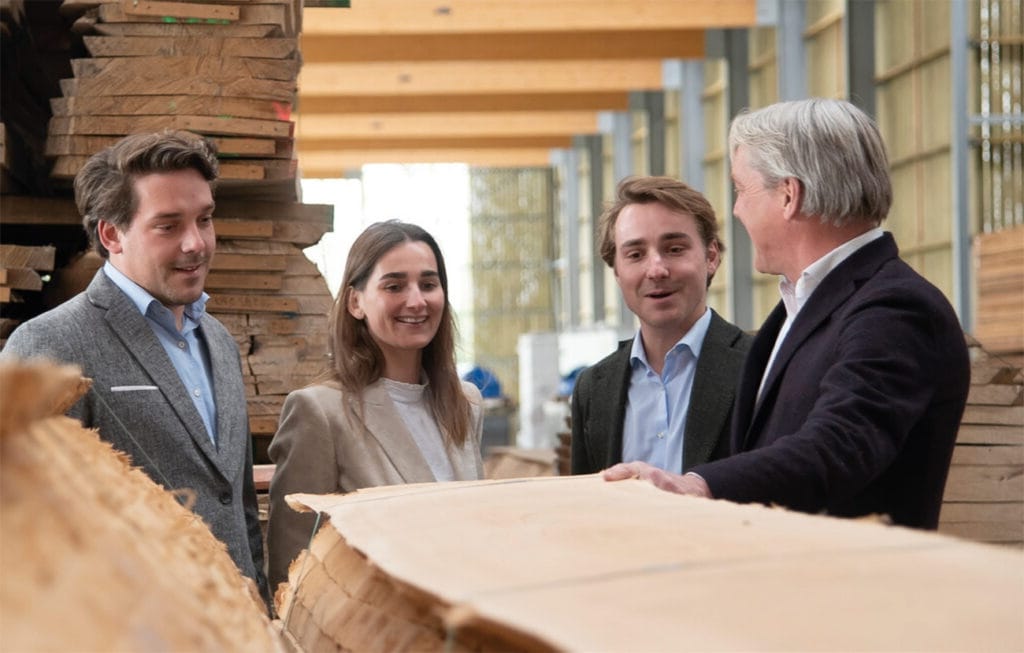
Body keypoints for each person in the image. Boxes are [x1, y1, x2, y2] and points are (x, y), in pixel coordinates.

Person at [605, 98, 971, 530]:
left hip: (852, 570)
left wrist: (700, 484)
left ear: (788, 195)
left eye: (741, 190)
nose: (736, 210)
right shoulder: (800, 309)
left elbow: (840, 444)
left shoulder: (896, 309)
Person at [3, 131, 269, 600]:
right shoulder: (50, 343)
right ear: (111, 235)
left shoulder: (220, 343)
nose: (196, 243)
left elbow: (238, 503)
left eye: (204, 219)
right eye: (168, 226)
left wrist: (262, 610)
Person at [267, 220, 484, 591]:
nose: (416, 301)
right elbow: (293, 571)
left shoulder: (466, 404)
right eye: (394, 286)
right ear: (356, 302)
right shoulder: (320, 412)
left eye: (428, 284)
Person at [571, 176, 752, 476]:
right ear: (617, 272)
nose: (656, 270)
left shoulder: (759, 366)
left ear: (711, 257)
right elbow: (586, 498)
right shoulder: (592, 390)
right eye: (635, 255)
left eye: (675, 249)